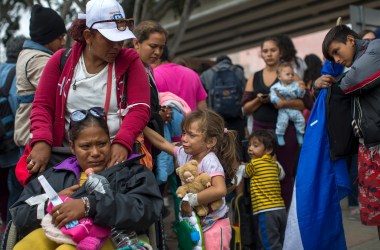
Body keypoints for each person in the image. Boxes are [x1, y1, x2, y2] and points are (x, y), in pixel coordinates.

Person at [22, 0, 150, 178]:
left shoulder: (130, 61)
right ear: (89, 36)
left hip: (114, 159)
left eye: (120, 40)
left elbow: (140, 108)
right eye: (109, 40)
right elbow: (42, 105)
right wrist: (41, 140)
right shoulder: (61, 60)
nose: (117, 47)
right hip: (69, 160)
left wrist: (122, 142)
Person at [10, 107, 162, 249]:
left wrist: (90, 205)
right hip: (57, 232)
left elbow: (146, 207)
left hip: (116, 236)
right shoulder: (55, 175)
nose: (95, 152)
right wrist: (52, 203)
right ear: (72, 146)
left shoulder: (131, 172)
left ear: (110, 141)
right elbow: (19, 213)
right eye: (85, 146)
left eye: (101, 144)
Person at [143, 108, 240, 250]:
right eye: (183, 133)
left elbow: (220, 189)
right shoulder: (184, 154)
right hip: (196, 224)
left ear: (210, 141)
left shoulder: (210, 161)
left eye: (191, 135)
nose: (184, 139)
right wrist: (140, 125)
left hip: (215, 226)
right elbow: (162, 143)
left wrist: (190, 199)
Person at [316, 23, 380, 236]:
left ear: (351, 41)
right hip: (370, 147)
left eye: (337, 51)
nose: (336, 60)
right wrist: (319, 83)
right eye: (331, 57)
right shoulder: (358, 62)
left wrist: (333, 81)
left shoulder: (376, 49)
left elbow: (352, 82)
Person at [242, 36, 311, 209]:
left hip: (285, 131)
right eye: (265, 51)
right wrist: (259, 100)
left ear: (280, 52)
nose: (269, 54)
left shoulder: (289, 74)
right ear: (261, 54)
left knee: (285, 175)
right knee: (261, 175)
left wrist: (283, 103)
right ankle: (265, 215)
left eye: (273, 50)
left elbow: (307, 102)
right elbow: (244, 108)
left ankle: (287, 218)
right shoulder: (254, 77)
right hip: (260, 131)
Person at [14, 4, 67, 152]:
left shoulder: (29, 54)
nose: (63, 42)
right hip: (33, 142)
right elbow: (60, 92)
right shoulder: (38, 59)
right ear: (47, 37)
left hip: (33, 138)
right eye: (60, 37)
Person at [244, 129, 286, 250]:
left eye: (255, 146)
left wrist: (241, 166)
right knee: (279, 242)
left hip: (265, 211)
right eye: (249, 145)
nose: (250, 148)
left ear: (268, 150)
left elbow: (244, 173)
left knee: (268, 244)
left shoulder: (254, 164)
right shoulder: (275, 164)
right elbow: (282, 175)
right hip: (281, 210)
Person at [0, 36, 26, 226]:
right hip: (11, 146)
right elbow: (20, 110)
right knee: (15, 193)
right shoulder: (18, 74)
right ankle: (11, 233)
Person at [200, 55, 246, 144]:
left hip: (216, 118)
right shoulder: (238, 71)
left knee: (219, 145)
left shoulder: (207, 74)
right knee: (237, 144)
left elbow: (201, 97)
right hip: (236, 117)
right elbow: (245, 93)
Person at [153, 46, 208, 111]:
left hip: (167, 120)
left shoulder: (153, 76)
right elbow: (202, 106)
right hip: (191, 120)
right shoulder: (192, 73)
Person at [270, 62, 306, 146]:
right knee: (282, 122)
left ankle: (300, 134)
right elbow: (272, 96)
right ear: (279, 77)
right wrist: (276, 100)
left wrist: (301, 90)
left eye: (292, 74)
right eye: (287, 74)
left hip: (294, 108)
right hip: (283, 110)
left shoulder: (295, 85)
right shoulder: (276, 87)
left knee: (301, 120)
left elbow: (300, 95)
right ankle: (280, 135)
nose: (291, 76)